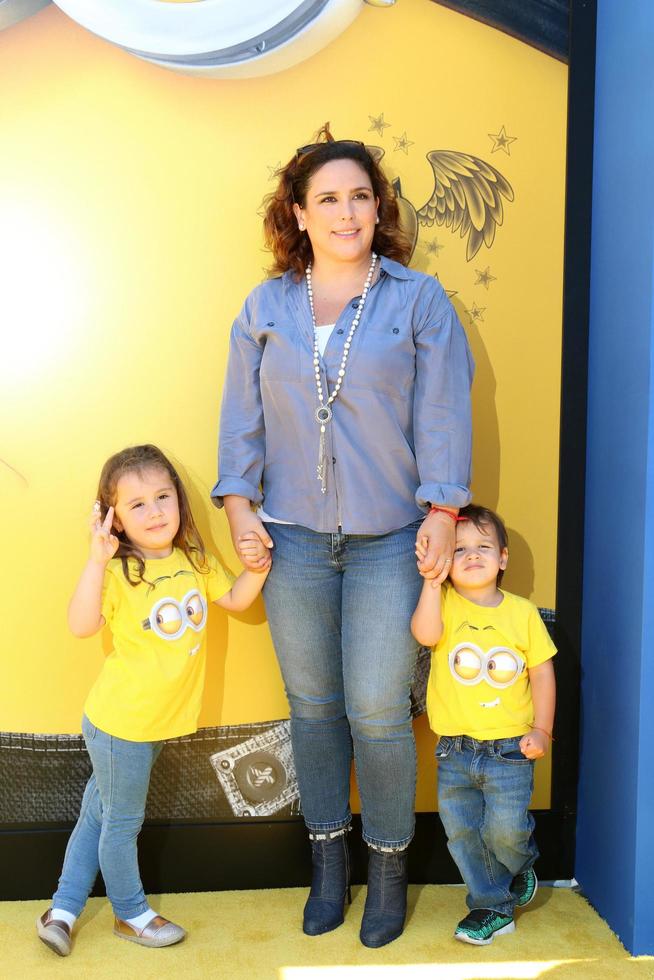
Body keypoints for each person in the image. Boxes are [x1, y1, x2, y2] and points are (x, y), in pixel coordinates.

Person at [213, 127, 474, 948]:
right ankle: (329, 865)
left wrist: (441, 510)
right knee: (316, 710)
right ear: (298, 212)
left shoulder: (418, 299)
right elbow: (240, 420)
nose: (346, 210)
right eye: (327, 197)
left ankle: (389, 868)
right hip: (289, 542)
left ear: (379, 207)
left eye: (360, 195)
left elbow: (442, 414)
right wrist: (237, 506)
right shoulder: (265, 307)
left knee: (377, 711)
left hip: (389, 540)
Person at [37, 444, 269, 957]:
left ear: (180, 503)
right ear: (113, 518)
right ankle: (131, 913)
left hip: (155, 724)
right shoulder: (118, 572)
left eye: (164, 496)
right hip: (122, 726)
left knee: (98, 814)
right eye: (137, 504)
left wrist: (260, 562)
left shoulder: (194, 561)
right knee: (120, 823)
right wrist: (96, 559)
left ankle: (63, 909)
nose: (156, 510)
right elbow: (80, 625)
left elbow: (237, 600)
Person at [411, 503, 556, 946]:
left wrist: (543, 730)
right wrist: (432, 583)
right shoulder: (445, 605)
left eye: (483, 546)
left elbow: (543, 673)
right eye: (459, 549)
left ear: (503, 557)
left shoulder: (522, 613)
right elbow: (424, 634)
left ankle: (522, 861)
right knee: (463, 834)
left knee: (506, 830)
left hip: (510, 749)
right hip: (455, 748)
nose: (471, 555)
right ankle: (491, 906)